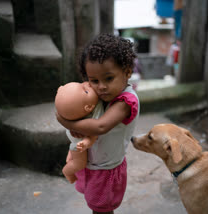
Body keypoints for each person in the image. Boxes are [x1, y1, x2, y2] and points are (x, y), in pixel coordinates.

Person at [56, 33, 139, 214]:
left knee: (102, 210)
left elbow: (100, 126)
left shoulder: (126, 101)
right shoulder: (103, 95)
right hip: (94, 164)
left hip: (106, 169)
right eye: (94, 81)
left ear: (127, 72)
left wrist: (66, 121)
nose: (101, 86)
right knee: (97, 207)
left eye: (108, 78)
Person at [54, 82, 103, 184]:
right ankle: (67, 172)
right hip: (78, 143)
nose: (88, 85)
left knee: (72, 153)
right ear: (88, 107)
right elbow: (93, 134)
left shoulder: (86, 105)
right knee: (79, 163)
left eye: (82, 85)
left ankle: (70, 156)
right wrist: (86, 143)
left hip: (74, 139)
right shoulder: (94, 115)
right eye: (86, 91)